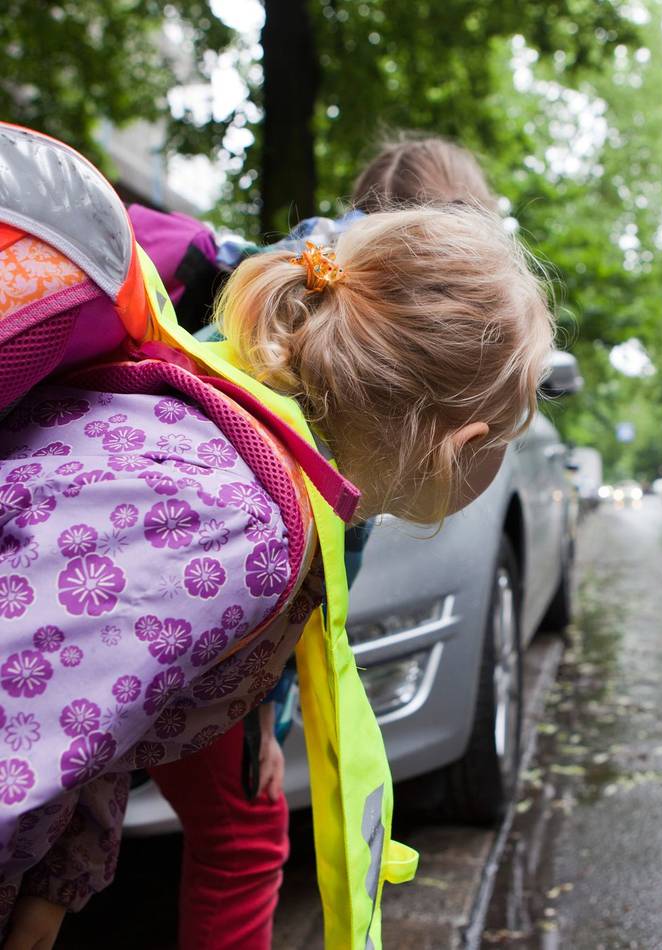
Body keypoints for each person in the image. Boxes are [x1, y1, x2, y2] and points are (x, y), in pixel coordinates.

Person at [0, 200, 554, 947]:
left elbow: (99, 699)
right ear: (462, 446)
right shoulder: (234, 527)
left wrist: (55, 880)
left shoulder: (258, 461)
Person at [142, 133, 501, 950]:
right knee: (245, 839)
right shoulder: (386, 348)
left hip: (121, 581)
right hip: (198, 621)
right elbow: (314, 584)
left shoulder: (299, 275)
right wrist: (264, 720)